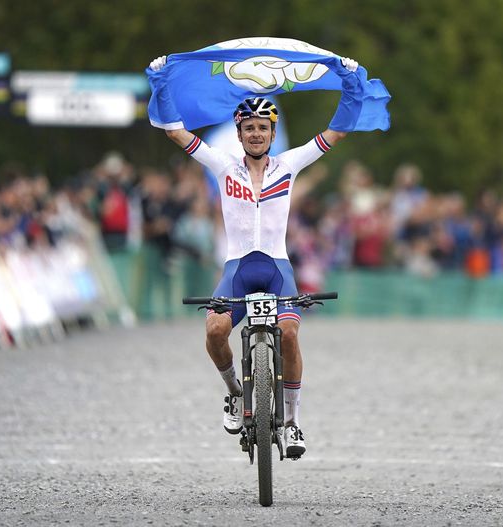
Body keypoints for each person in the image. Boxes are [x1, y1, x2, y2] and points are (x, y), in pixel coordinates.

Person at [149, 54, 360, 458]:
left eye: (263, 128)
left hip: (278, 267)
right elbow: (175, 131)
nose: (257, 134)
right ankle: (234, 392)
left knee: (292, 335)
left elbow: (338, 131)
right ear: (240, 132)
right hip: (238, 269)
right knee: (213, 331)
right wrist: (161, 83)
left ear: (271, 131)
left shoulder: (290, 164)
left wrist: (350, 82)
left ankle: (294, 421)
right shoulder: (223, 166)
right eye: (250, 128)